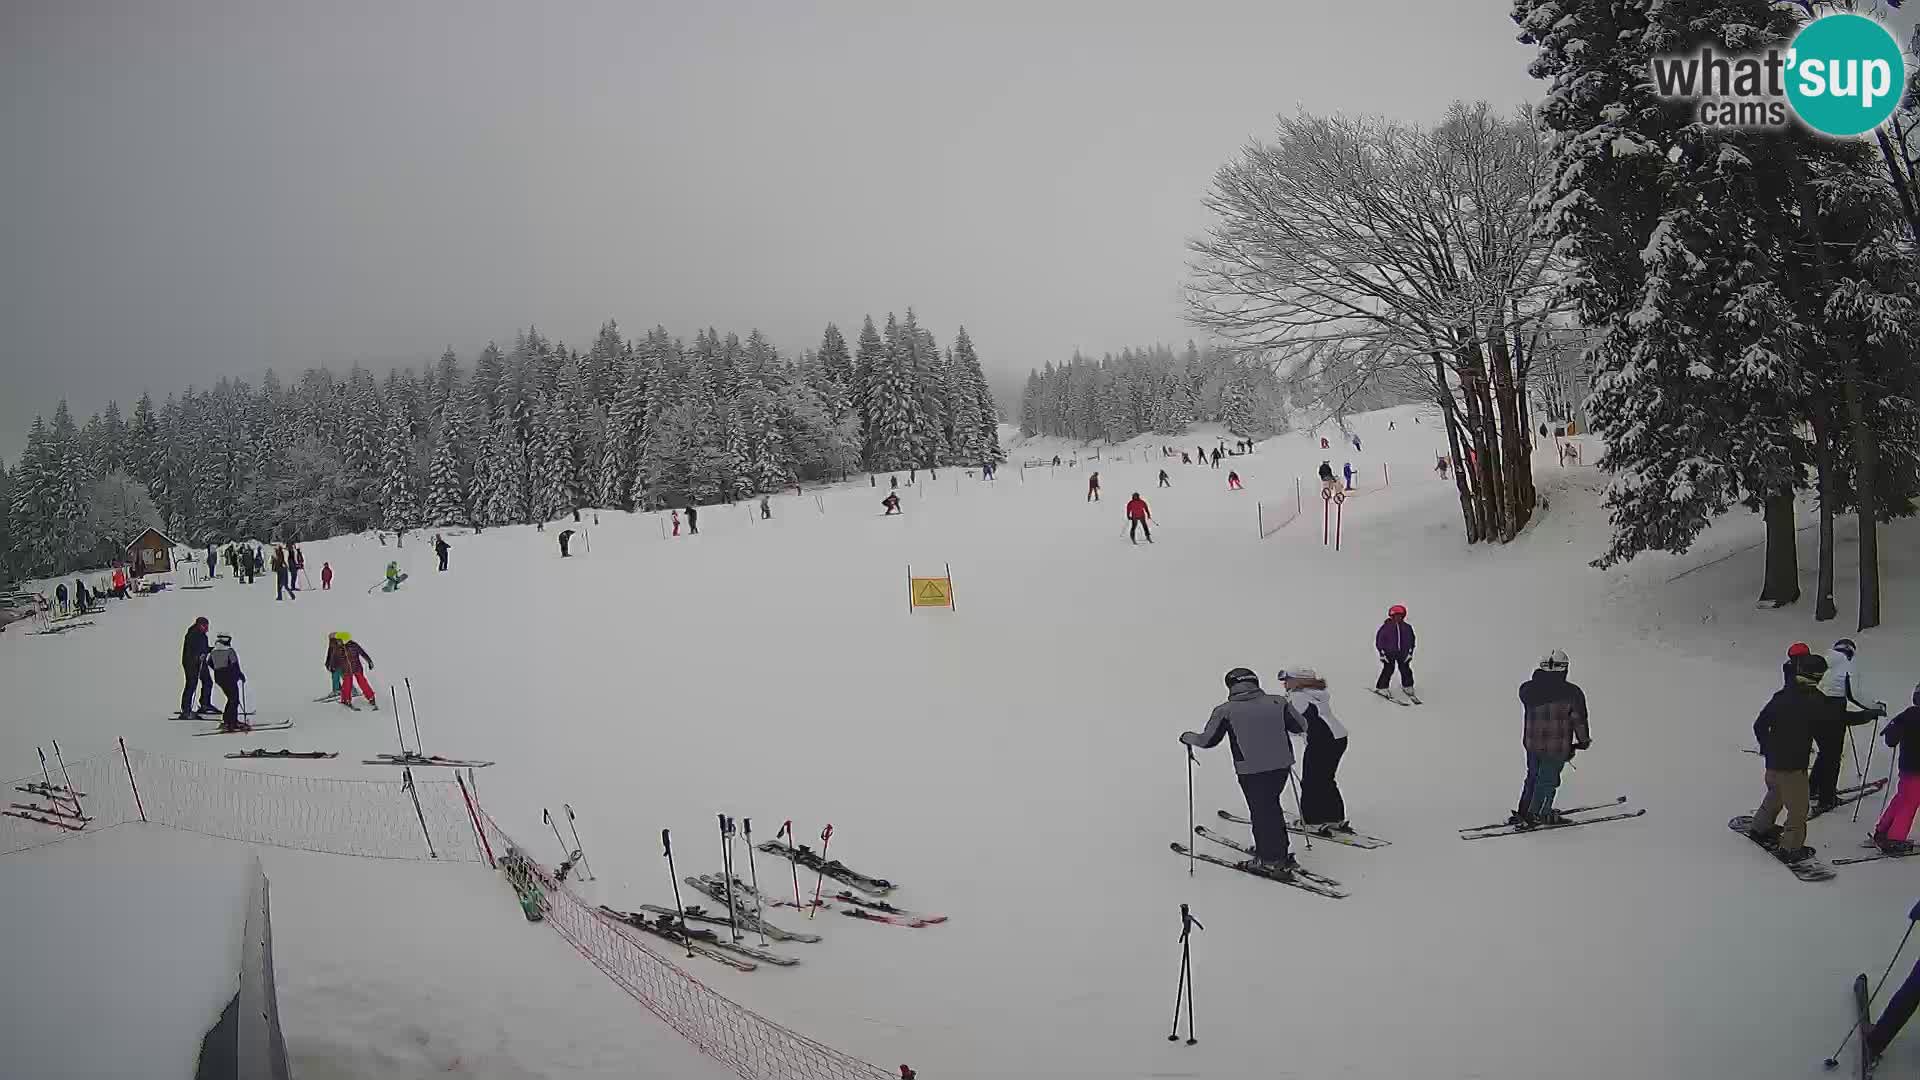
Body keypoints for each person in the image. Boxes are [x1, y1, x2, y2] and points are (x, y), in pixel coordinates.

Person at [1182, 669, 1306, 872]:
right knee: (1270, 806)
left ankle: (1271, 859)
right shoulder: (1278, 702)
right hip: (1281, 766)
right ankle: (1276, 851)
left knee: (1262, 811)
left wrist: (1188, 737)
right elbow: (1300, 726)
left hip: (1251, 770)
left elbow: (1208, 740)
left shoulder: (1225, 710)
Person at [1747, 652, 1830, 864]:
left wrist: (1768, 747)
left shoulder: (1781, 696)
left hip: (1773, 763)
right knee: (1799, 809)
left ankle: (1760, 827)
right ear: (1818, 676)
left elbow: (1759, 725)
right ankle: (1791, 848)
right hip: (1793, 767)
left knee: (1776, 793)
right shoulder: (1816, 701)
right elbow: (1826, 731)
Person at [1514, 650, 1590, 828]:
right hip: (1556, 746)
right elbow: (1579, 719)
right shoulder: (1572, 693)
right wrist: (1583, 740)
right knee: (1548, 780)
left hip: (1532, 744)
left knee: (1533, 777)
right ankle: (1539, 815)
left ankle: (1525, 810)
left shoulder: (1528, 690)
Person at [1813, 638, 1885, 811]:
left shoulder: (1824, 660)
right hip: (1834, 710)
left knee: (1825, 752)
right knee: (1832, 757)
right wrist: (1875, 708)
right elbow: (1854, 694)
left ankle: (1813, 788)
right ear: (1851, 651)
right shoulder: (1846, 664)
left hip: (1815, 708)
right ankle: (1827, 798)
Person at [1282, 668, 1351, 834]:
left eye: (1288, 679)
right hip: (1337, 738)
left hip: (1323, 740)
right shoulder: (1315, 692)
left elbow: (1291, 720)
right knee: (1325, 778)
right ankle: (1334, 817)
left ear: (1299, 680)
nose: (1284, 683)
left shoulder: (1299, 696)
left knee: (1311, 780)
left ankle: (1312, 821)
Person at [1870, 683, 1920, 854]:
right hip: (1917, 771)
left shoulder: (1906, 715)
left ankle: (1883, 830)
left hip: (1907, 767)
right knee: (1910, 803)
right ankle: (1895, 839)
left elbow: (1891, 739)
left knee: (1902, 798)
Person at [206, 633, 247, 732]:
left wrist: (217, 669)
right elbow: (235, 665)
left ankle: (228, 721)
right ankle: (231, 722)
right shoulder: (229, 651)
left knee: (231, 698)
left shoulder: (214, 651)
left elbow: (209, 663)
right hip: (229, 677)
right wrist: (240, 675)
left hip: (219, 677)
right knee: (234, 699)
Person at [1373, 605, 1416, 701]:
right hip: (1389, 654)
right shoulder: (1386, 627)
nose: (1397, 618)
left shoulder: (1407, 628)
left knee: (1406, 670)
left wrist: (1410, 652)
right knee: (1388, 669)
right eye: (1395, 616)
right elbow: (1379, 640)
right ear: (1391, 616)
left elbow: (1412, 640)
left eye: (1400, 616)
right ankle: (1382, 687)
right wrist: (1382, 653)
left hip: (1403, 654)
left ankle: (1408, 686)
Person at [179, 617, 216, 717]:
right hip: (190, 664)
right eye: (204, 626)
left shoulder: (203, 636)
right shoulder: (192, 635)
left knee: (208, 682)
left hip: (201, 662)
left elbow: (203, 649)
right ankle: (186, 709)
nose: (206, 628)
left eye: (207, 626)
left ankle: (205, 704)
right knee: (191, 684)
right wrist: (197, 657)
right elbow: (190, 651)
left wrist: (213, 649)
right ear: (199, 625)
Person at [334, 631, 377, 710]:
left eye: (339, 640)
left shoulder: (354, 645)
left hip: (357, 668)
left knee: (362, 682)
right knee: (347, 684)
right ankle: (345, 699)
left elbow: (362, 653)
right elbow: (336, 659)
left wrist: (369, 661)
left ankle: (371, 697)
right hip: (346, 670)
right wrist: (334, 666)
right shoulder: (338, 649)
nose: (337, 642)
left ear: (344, 640)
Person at [323, 632, 346, 699]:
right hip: (334, 665)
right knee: (336, 677)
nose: (330, 639)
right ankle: (338, 690)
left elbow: (339, 655)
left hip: (339, 664)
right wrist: (327, 663)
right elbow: (329, 655)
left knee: (342, 677)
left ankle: (349, 689)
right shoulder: (331, 646)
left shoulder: (338, 644)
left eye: (331, 638)